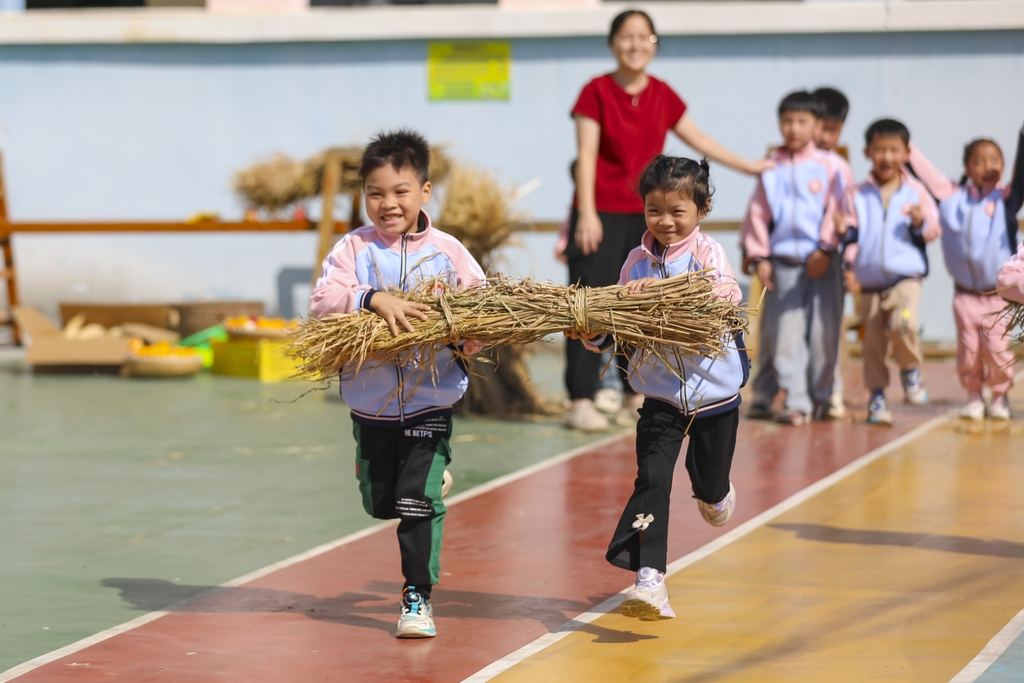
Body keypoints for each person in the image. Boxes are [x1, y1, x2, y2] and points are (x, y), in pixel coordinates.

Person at [310, 130, 486, 639]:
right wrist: (370, 299)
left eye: (401, 191)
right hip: (371, 404)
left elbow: (480, 309)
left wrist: (469, 335)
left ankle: (417, 597)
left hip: (432, 399)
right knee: (380, 502)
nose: (388, 203)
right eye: (376, 193)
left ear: (425, 192)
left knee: (414, 502)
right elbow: (322, 303)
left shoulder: (449, 253)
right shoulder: (353, 249)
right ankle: (424, 485)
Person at [564, 8, 769, 432]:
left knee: (639, 302)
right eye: (627, 37)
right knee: (591, 301)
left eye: (645, 37)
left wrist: (749, 167)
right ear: (612, 43)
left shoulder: (663, 93)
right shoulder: (595, 91)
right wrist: (585, 212)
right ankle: (580, 398)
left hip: (654, 217)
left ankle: (631, 393)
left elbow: (702, 141)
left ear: (654, 43)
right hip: (601, 210)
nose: (636, 45)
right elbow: (585, 155)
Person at [571, 156, 747, 620]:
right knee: (651, 480)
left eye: (677, 211)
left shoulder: (708, 253)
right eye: (654, 211)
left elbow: (726, 295)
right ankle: (650, 579)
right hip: (660, 397)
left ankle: (715, 492)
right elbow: (613, 325)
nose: (665, 222)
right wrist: (590, 328)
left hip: (715, 396)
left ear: (702, 209)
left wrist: (658, 296)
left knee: (707, 487)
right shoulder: (634, 261)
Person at [907, 121, 1023, 420]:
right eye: (980, 160)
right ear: (967, 167)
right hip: (964, 297)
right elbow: (926, 174)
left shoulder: (1007, 199)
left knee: (997, 350)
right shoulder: (951, 198)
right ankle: (973, 394)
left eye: (995, 160)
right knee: (969, 351)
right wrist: (905, 146)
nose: (989, 165)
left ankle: (999, 396)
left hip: (998, 298)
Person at [741, 91, 843, 425]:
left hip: (823, 264)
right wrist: (759, 257)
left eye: (802, 121)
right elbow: (758, 214)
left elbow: (841, 211)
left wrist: (826, 248)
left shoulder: (833, 166)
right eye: (787, 121)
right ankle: (796, 400)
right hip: (784, 264)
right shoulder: (770, 167)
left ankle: (823, 397)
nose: (793, 128)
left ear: (817, 126)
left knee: (822, 335)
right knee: (784, 334)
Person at [841, 119, 940, 425]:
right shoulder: (857, 194)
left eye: (894, 150)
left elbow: (933, 229)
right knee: (872, 345)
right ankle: (877, 397)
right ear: (867, 151)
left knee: (903, 325)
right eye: (880, 150)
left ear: (906, 153)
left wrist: (919, 221)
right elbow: (852, 236)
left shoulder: (916, 191)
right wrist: (849, 264)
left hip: (905, 278)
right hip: (869, 281)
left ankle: (910, 371)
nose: (886, 157)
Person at [813, 87, 856, 420]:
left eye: (835, 130)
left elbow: (850, 217)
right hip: (795, 260)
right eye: (823, 127)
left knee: (829, 328)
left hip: (831, 259)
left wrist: (848, 257)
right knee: (794, 330)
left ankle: (832, 389)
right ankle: (802, 391)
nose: (828, 136)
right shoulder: (789, 163)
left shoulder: (840, 167)